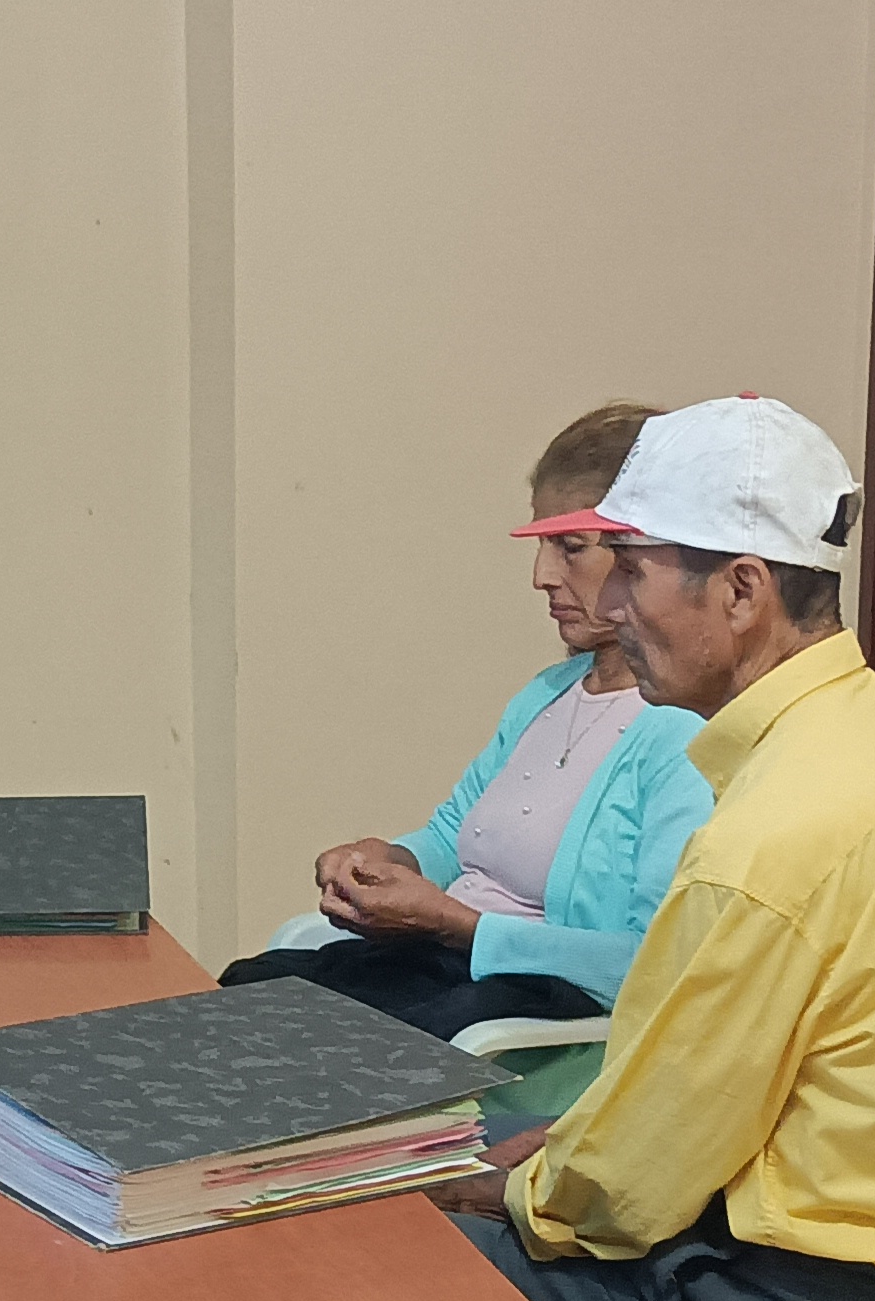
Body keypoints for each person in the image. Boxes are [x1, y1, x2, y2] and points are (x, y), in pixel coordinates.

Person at [427, 395, 875, 1301]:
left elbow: (632, 1190)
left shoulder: (766, 845)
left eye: (632, 572)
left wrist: (516, 1192)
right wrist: (565, 1144)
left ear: (741, 590)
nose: (611, 605)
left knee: (381, 1255)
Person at [221, 404, 717, 1039]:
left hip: (531, 1001)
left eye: (570, 548)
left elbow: (654, 964)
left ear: (641, 555)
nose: (542, 577)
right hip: (446, 964)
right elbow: (455, 835)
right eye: (542, 548)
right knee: (246, 989)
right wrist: (384, 861)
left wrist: (458, 926)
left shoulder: (684, 731)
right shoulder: (549, 693)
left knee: (319, 1042)